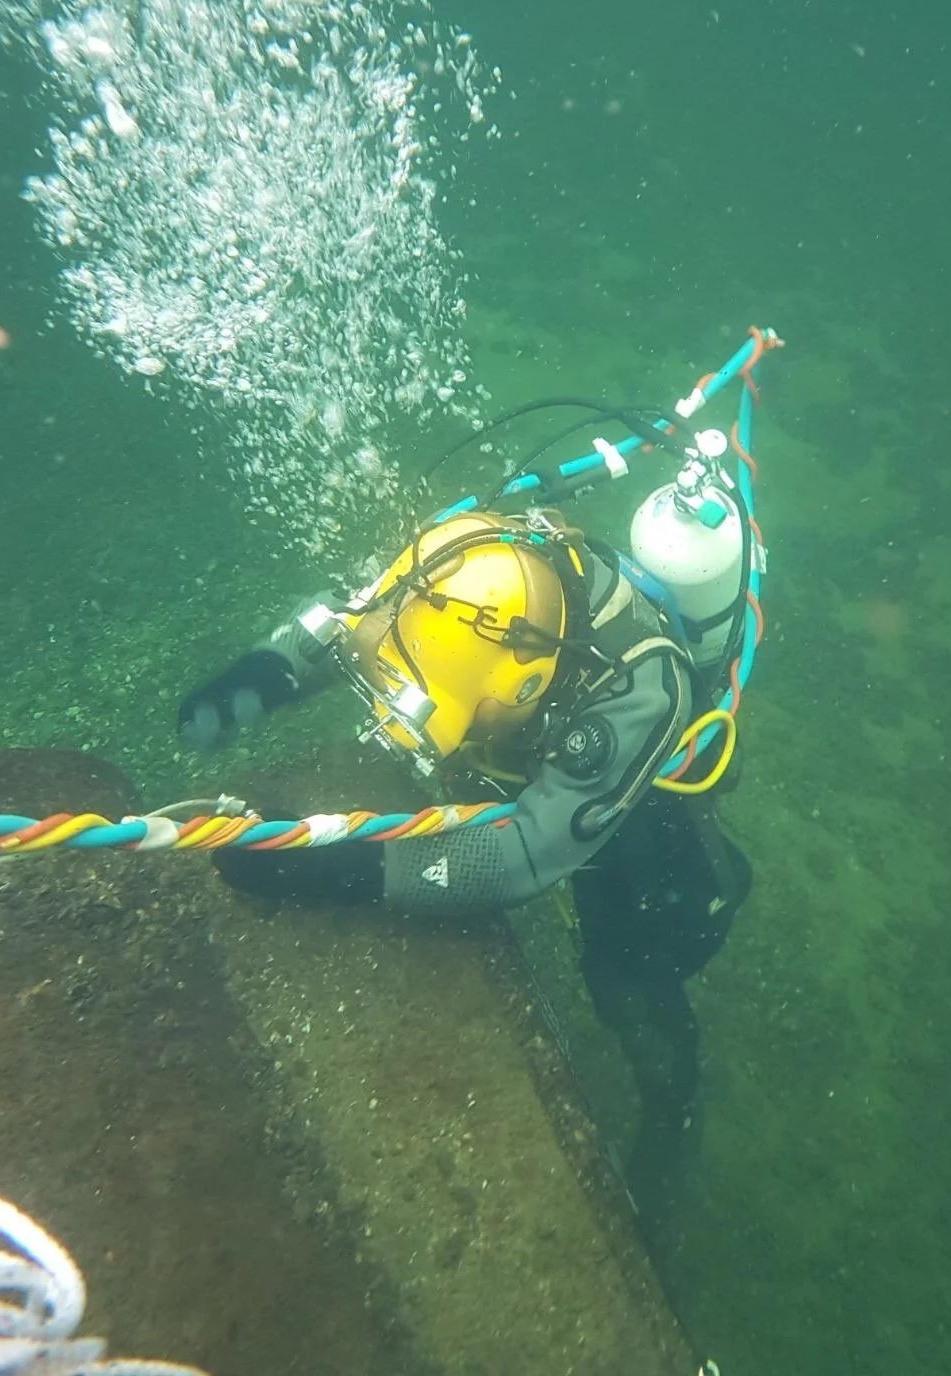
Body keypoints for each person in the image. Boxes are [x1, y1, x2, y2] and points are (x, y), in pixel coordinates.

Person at [178, 505, 751, 1218]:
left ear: (525, 688)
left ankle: (675, 1109)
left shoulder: (642, 692)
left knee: (625, 972)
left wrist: (329, 869)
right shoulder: (455, 568)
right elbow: (339, 624)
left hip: (636, 831)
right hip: (524, 770)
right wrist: (251, 684)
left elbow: (521, 859)